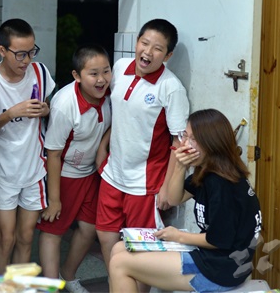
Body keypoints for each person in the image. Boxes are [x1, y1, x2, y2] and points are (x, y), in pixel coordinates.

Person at [109, 109, 263, 292]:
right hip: (213, 259)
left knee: (119, 263)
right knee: (119, 249)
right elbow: (174, 199)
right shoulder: (209, 170)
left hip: (221, 270)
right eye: (185, 136)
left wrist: (178, 236)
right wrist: (180, 166)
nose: (185, 144)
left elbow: (218, 240)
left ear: (211, 143)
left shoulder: (222, 184)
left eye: (193, 139)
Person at [96, 19, 190, 269]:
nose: (148, 52)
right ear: (137, 42)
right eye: (144, 43)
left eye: (157, 48)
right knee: (105, 236)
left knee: (141, 250)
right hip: (113, 174)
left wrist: (167, 186)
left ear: (167, 56)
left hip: (145, 183)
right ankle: (116, 284)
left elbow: (178, 140)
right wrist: (103, 147)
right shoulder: (119, 67)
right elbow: (121, 112)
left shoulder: (171, 87)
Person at [37, 44, 112, 293]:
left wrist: (102, 147)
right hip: (64, 173)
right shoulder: (65, 105)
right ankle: (51, 286)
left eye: (106, 71)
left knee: (89, 229)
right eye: (93, 73)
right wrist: (54, 199)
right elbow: (53, 154)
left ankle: (68, 276)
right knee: (53, 230)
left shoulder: (111, 93)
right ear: (76, 76)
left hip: (91, 173)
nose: (101, 79)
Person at [0, 18, 55, 276]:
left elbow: (48, 108)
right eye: (20, 54)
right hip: (4, 170)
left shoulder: (40, 72)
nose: (27, 60)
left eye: (32, 51)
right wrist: (11, 113)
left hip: (34, 168)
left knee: (26, 238)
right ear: (3, 50)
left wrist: (45, 110)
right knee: (6, 238)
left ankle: (18, 288)